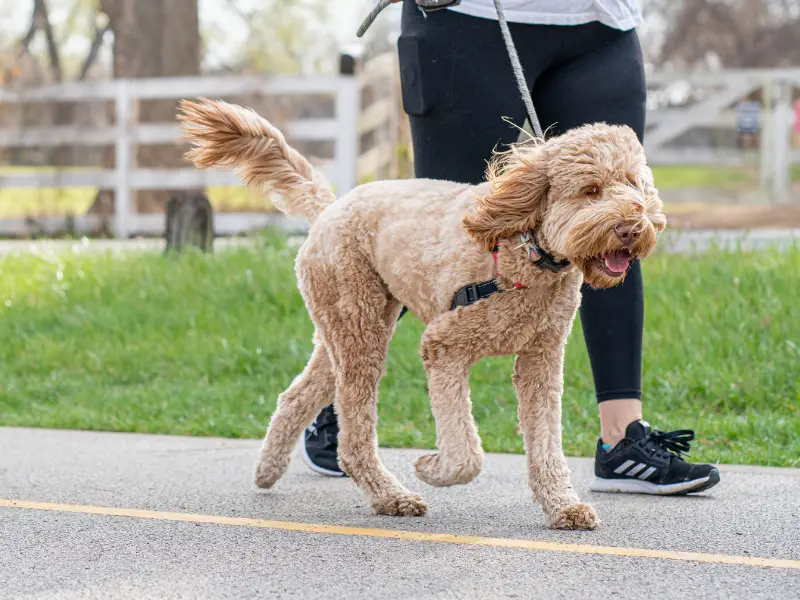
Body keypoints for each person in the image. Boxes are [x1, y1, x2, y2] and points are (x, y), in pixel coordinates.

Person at [302, 0, 720, 495]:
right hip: (468, 16)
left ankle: (621, 440)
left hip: (602, 23)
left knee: (613, 226)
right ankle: (335, 405)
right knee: (446, 238)